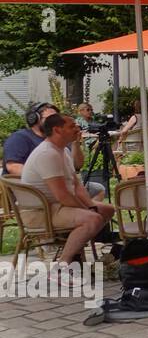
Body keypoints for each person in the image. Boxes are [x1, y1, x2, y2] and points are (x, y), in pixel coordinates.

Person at [21, 113, 115, 267]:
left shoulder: (62, 150)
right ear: (57, 130)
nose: (77, 128)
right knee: (93, 218)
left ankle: (76, 253)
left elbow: (77, 186)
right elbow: (63, 195)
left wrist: (91, 205)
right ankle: (63, 266)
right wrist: (89, 210)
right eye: (71, 126)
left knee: (107, 210)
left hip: (55, 206)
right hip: (40, 212)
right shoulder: (47, 154)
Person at [4, 102, 103, 201]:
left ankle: (85, 211)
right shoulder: (20, 137)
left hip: (64, 184)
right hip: (36, 189)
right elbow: (13, 167)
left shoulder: (59, 138)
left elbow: (77, 165)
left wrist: (75, 143)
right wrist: (50, 179)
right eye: (50, 118)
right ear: (34, 119)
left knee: (98, 189)